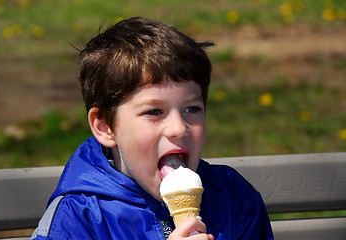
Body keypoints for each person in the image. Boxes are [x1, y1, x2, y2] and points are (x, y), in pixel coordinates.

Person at [31, 17, 274, 240]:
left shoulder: (233, 199)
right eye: (154, 112)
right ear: (105, 126)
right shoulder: (78, 218)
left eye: (192, 109)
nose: (179, 128)